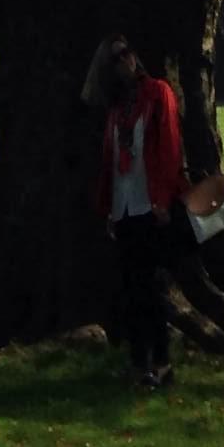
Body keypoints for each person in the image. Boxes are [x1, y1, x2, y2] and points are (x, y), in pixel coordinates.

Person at [85, 33, 182, 389]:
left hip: (150, 205)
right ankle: (139, 361)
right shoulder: (117, 107)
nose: (123, 61)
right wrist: (109, 208)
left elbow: (169, 147)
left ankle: (162, 362)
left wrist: (162, 199)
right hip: (124, 206)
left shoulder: (157, 93)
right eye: (115, 58)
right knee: (130, 290)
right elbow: (111, 160)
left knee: (153, 289)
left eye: (126, 53)